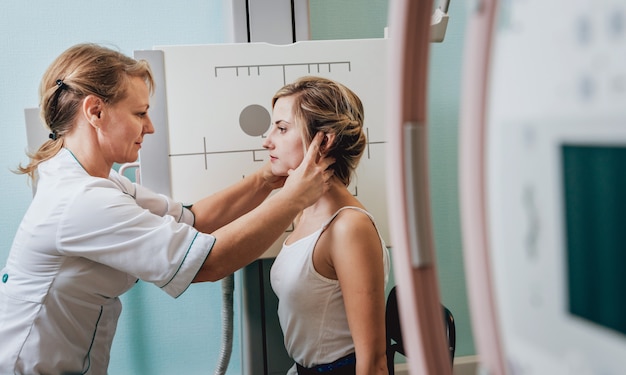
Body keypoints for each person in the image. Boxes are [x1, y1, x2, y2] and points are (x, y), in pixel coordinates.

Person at [0, 43, 334, 375]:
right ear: (95, 112)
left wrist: (265, 180)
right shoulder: (80, 200)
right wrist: (293, 200)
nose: (150, 127)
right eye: (139, 113)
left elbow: (194, 219)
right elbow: (209, 263)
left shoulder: (98, 181)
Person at [266, 76, 390, 375]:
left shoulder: (350, 228)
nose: (267, 139)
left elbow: (373, 362)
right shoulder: (304, 213)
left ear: (325, 139)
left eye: (281, 128)